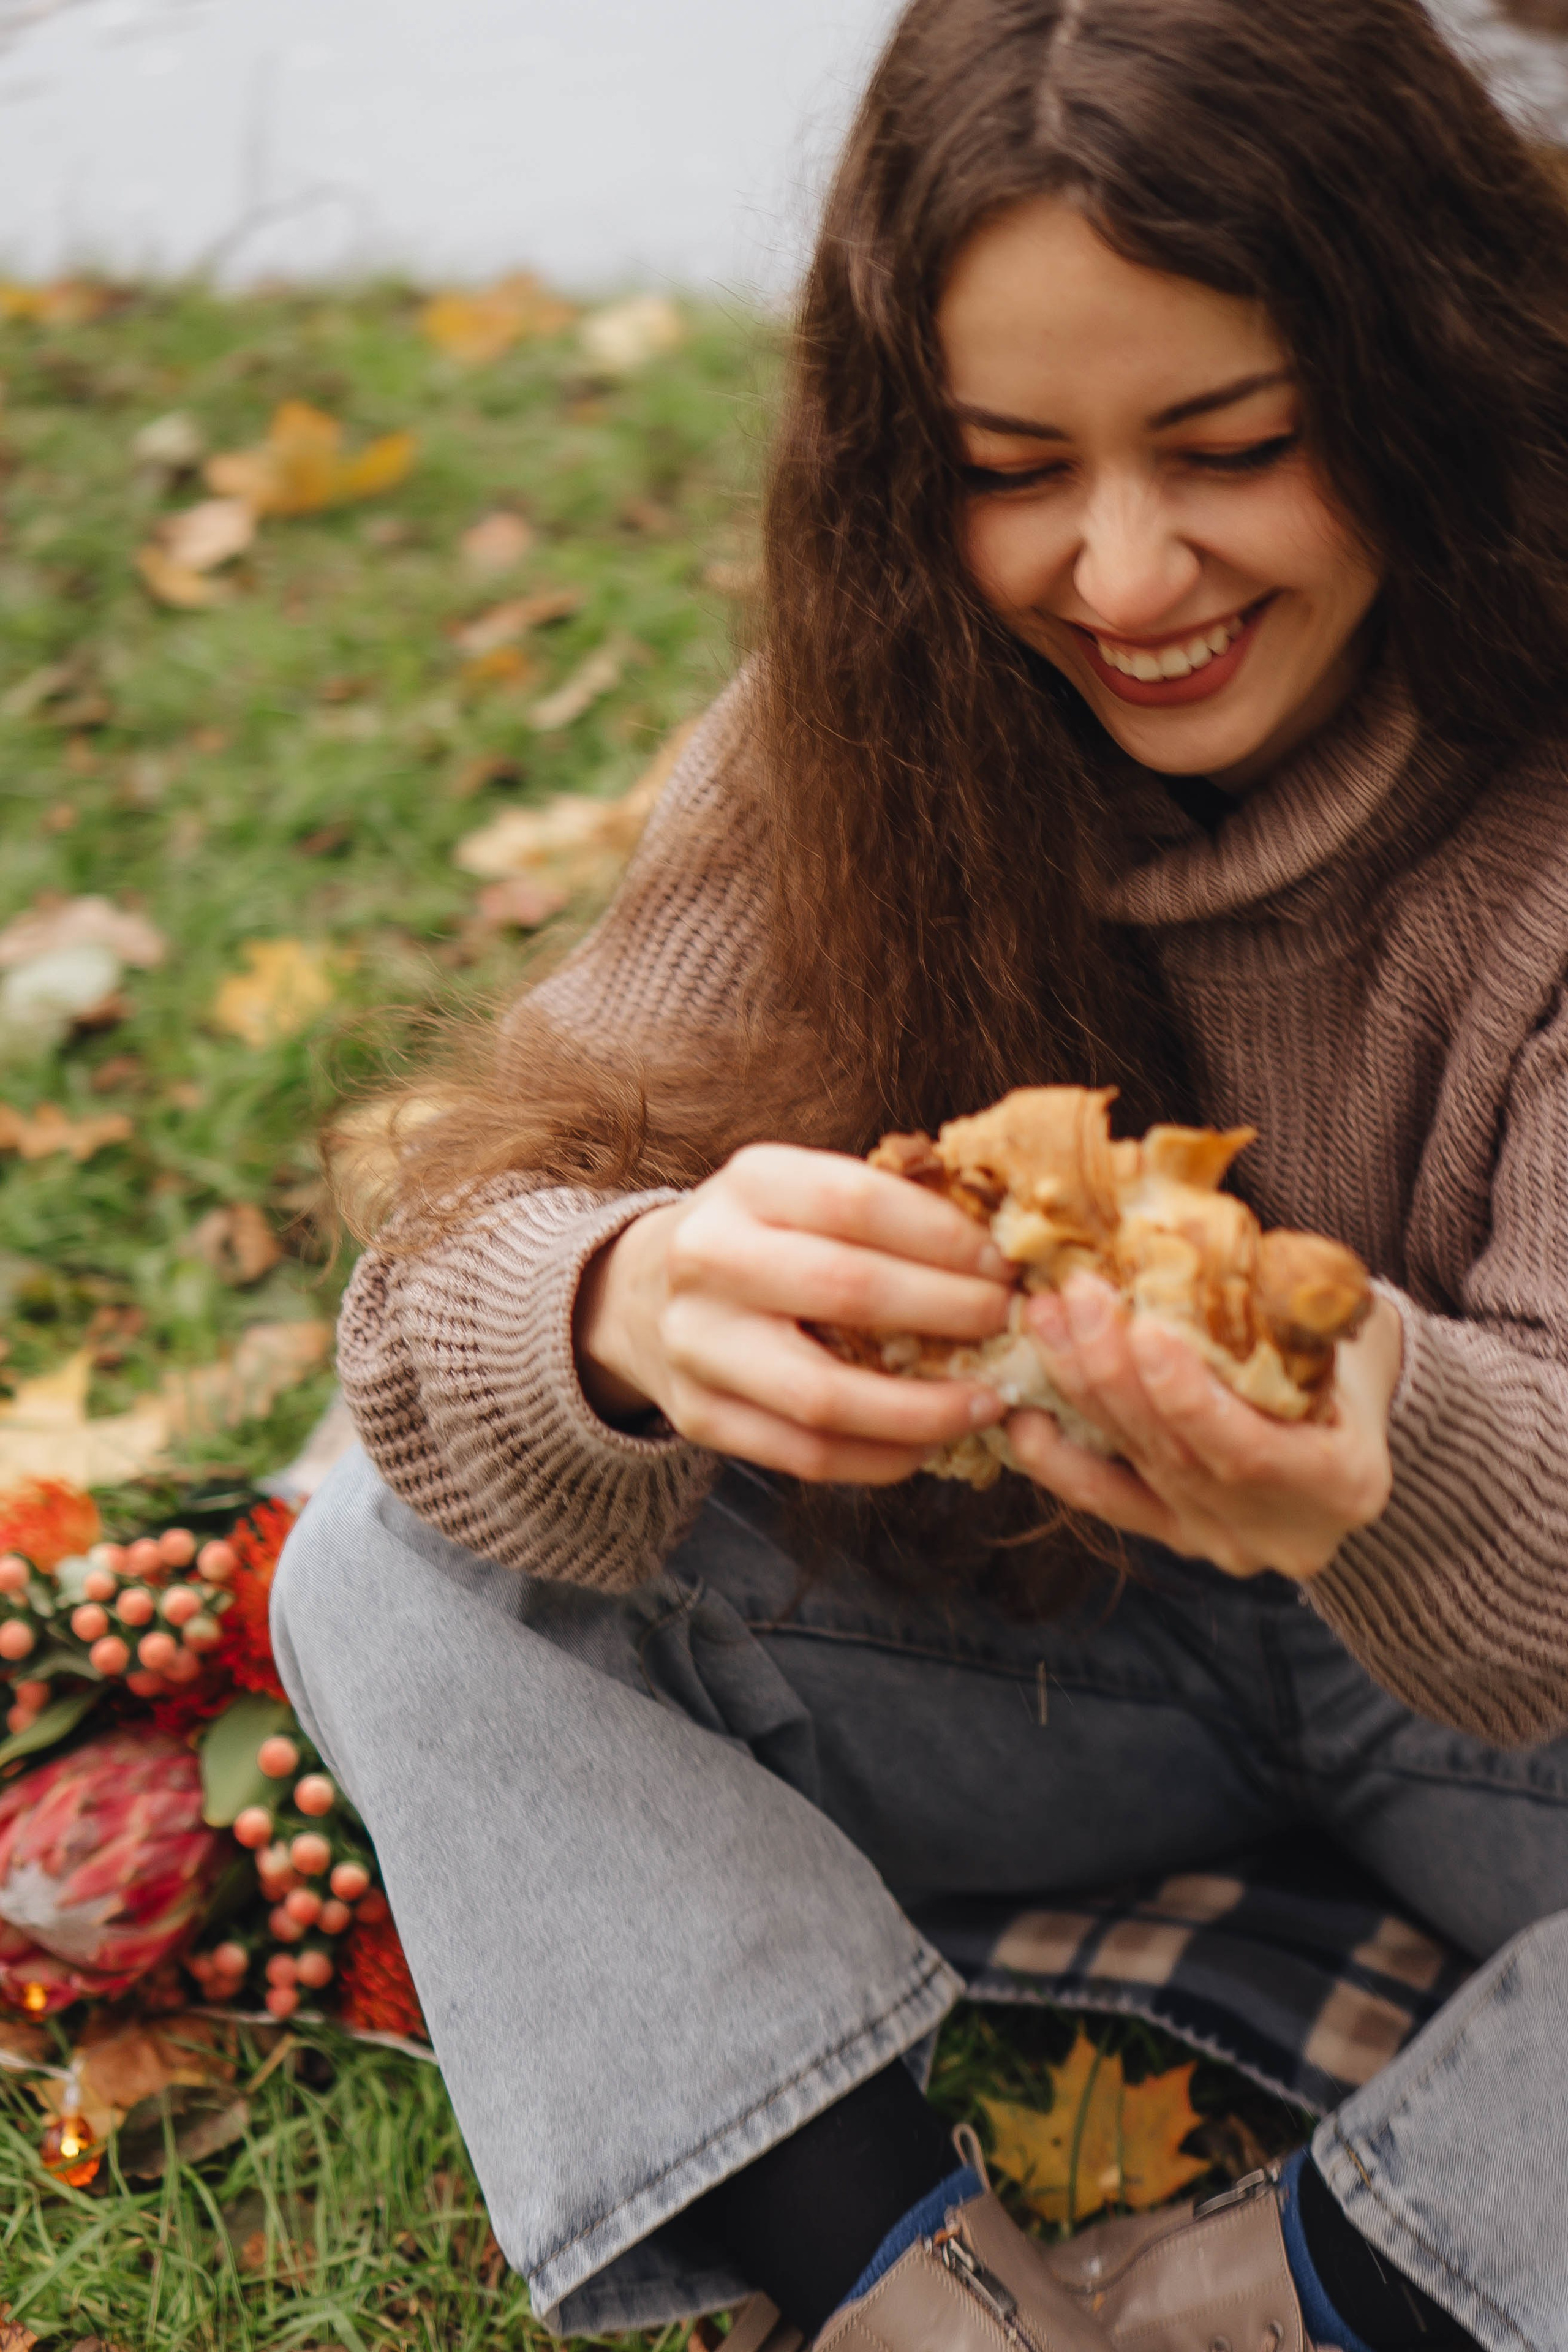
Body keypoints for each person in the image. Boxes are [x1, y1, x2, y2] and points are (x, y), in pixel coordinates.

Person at [272, 3, 1568, 2348]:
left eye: (1235, 445)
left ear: (1425, 373)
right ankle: (902, 2285)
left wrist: (1396, 1436)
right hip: (1027, 1663)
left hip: (1509, 1743)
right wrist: (627, 1308)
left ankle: (1292, 2285)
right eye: (1010, 466)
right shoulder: (861, 733)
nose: (1126, 567)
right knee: (383, 1564)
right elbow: (437, 1307)